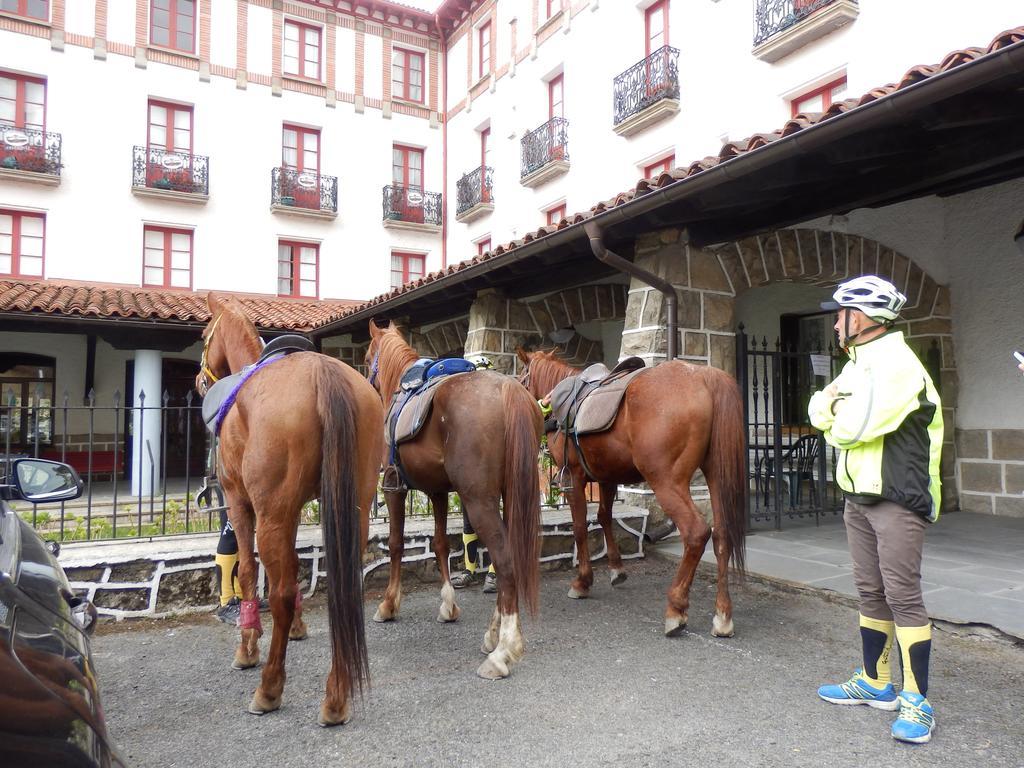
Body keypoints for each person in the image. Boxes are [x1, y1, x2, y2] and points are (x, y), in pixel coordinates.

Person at [808, 275, 943, 745]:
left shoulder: (896, 365)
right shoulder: (859, 363)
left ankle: (917, 701)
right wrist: (831, 409)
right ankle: (875, 681)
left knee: (902, 596)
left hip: (897, 498)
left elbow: (848, 428)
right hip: (860, 496)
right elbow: (823, 408)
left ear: (858, 319)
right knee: (870, 591)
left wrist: (832, 413)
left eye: (838, 315)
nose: (835, 325)